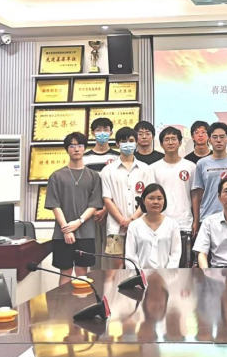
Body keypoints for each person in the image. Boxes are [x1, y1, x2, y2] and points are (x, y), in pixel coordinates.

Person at [45, 132, 103, 285]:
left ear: (84, 148)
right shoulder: (56, 176)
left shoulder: (93, 176)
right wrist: (66, 229)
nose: (76, 149)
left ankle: (82, 301)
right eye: (72, 146)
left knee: (82, 273)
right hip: (62, 234)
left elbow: (94, 204)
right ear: (67, 149)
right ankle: (63, 301)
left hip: (86, 232)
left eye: (80, 145)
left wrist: (79, 222)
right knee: (65, 272)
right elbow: (54, 204)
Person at [101, 127, 156, 269]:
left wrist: (132, 220)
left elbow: (149, 198)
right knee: (117, 266)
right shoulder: (108, 170)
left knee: (141, 263)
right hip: (115, 227)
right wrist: (122, 221)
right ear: (117, 144)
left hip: (142, 225)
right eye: (123, 141)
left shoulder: (146, 169)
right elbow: (107, 199)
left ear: (136, 142)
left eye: (131, 141)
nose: (128, 144)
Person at [191, 122, 227, 235]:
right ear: (209, 140)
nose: (218, 140)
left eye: (222, 137)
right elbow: (198, 194)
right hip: (208, 216)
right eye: (215, 137)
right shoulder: (202, 163)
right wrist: (196, 221)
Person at [152, 126, 197, 264]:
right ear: (161, 144)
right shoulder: (153, 168)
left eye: (174, 139)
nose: (170, 142)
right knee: (161, 264)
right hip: (160, 223)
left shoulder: (190, 166)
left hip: (184, 223)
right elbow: (150, 197)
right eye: (167, 139)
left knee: (183, 264)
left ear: (180, 142)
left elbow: (195, 195)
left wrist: (196, 220)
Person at [82, 117, 120, 267]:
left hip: (113, 212)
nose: (102, 133)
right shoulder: (85, 158)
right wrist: (94, 209)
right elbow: (84, 187)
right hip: (91, 212)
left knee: (113, 256)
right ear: (92, 133)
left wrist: (105, 209)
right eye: (98, 130)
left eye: (106, 130)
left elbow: (119, 187)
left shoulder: (118, 157)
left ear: (111, 132)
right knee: (93, 255)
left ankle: (113, 282)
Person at [125, 184, 182, 269]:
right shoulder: (134, 226)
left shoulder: (172, 224)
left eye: (159, 198)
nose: (156, 202)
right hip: (140, 275)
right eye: (151, 198)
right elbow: (130, 256)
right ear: (143, 201)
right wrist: (139, 275)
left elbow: (175, 254)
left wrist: (167, 273)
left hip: (167, 275)